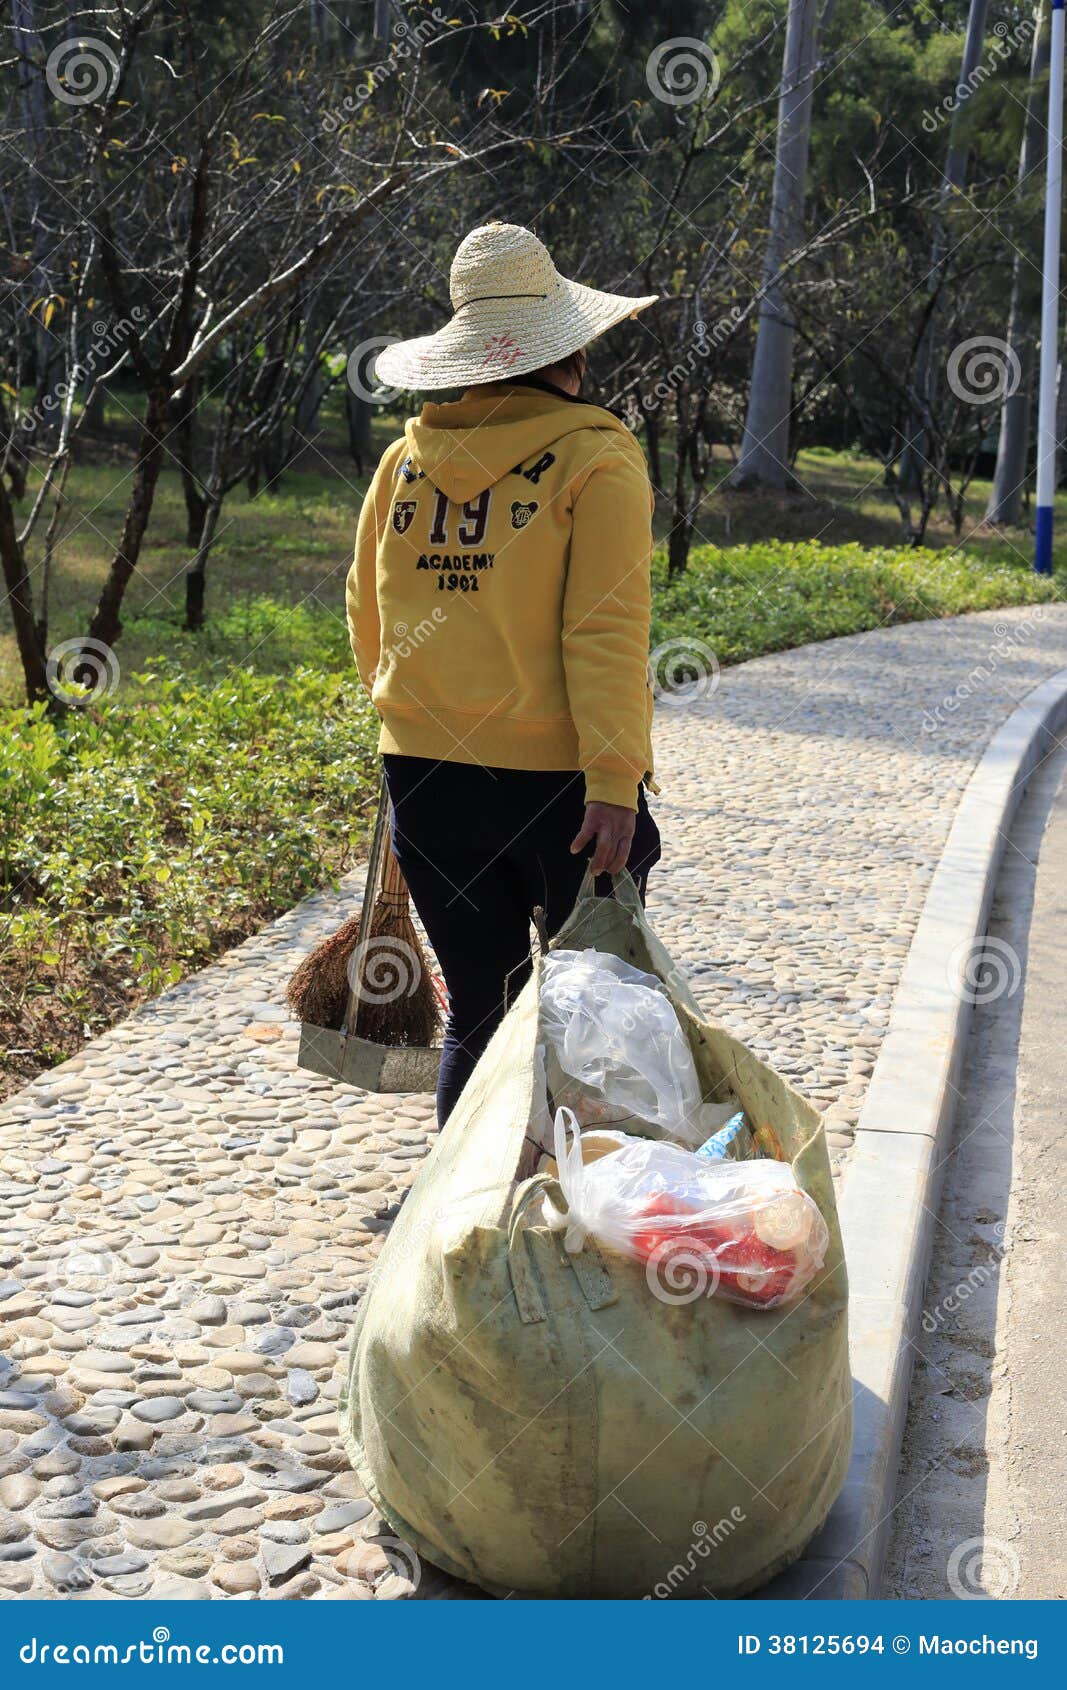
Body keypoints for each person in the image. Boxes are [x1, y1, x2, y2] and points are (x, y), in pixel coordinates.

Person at [346, 221, 661, 1125]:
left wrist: (408, 721)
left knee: (478, 1015)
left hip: (428, 778)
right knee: (588, 1017)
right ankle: (566, 1223)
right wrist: (613, 780)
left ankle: (469, 1226)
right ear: (566, 348)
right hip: (564, 789)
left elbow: (369, 613)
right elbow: (603, 629)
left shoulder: (403, 462)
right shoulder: (596, 454)